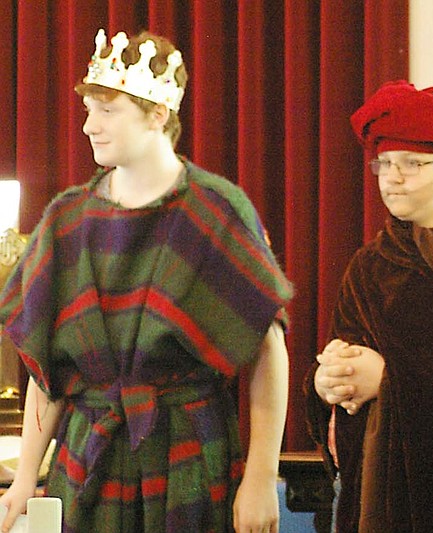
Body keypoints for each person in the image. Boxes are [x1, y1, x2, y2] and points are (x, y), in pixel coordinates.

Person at [0, 29, 292, 533]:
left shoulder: (216, 212)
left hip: (189, 454)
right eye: (89, 109)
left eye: (108, 110)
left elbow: (268, 351)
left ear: (158, 115)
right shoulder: (66, 221)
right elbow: (45, 369)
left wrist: (263, 476)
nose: (90, 126)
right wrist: (26, 477)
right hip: (86, 456)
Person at [305, 80, 433, 533]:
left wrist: (387, 379)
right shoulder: (367, 265)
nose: (392, 177)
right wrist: (327, 384)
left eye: (411, 164)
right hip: (369, 490)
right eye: (385, 163)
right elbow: (345, 354)